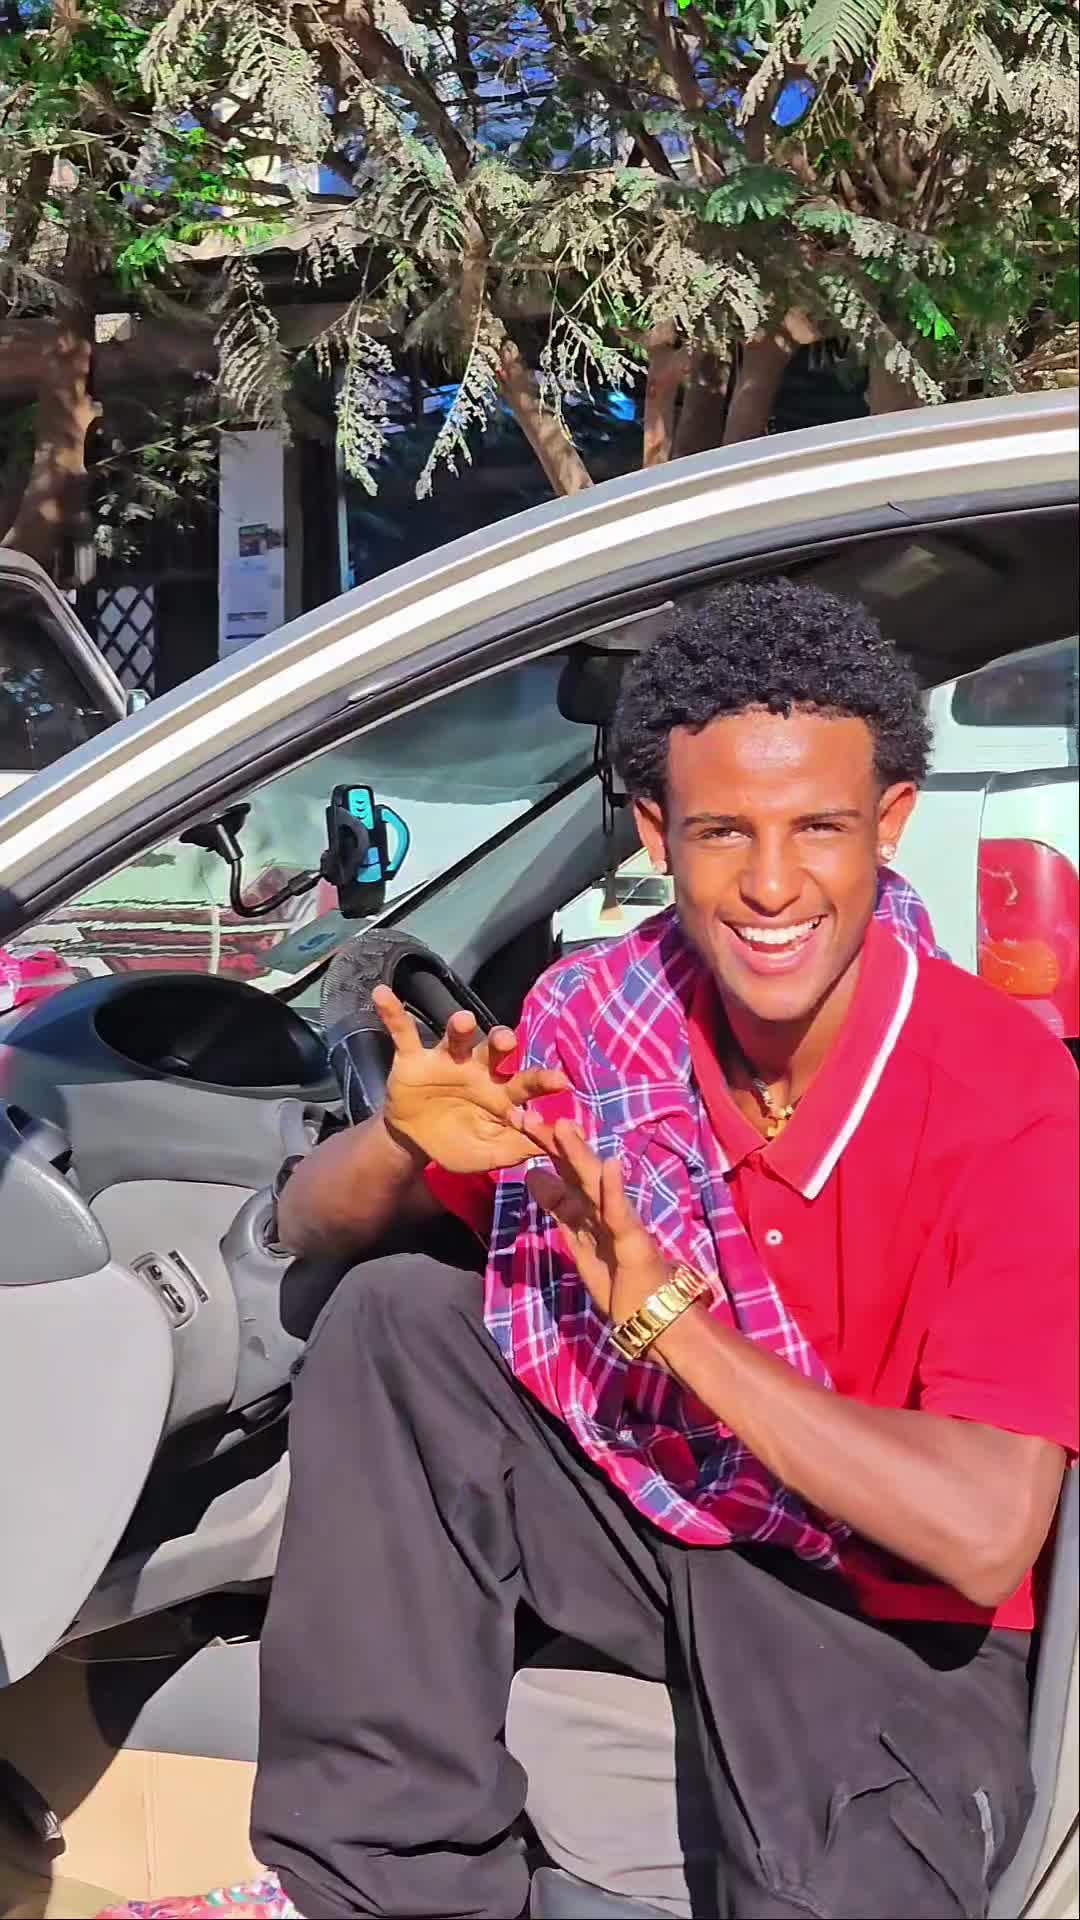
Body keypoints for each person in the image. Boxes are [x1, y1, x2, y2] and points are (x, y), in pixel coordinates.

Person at [102, 578, 1078, 1920]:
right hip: (664, 1524)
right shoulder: (605, 1022)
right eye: (725, 832)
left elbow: (980, 1537)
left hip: (885, 1621)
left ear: (891, 823)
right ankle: (392, 1888)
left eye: (819, 828)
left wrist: (672, 1324)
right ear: (658, 833)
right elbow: (308, 1231)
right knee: (400, 1318)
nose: (773, 884)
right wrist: (403, 1141)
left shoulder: (1004, 1087)